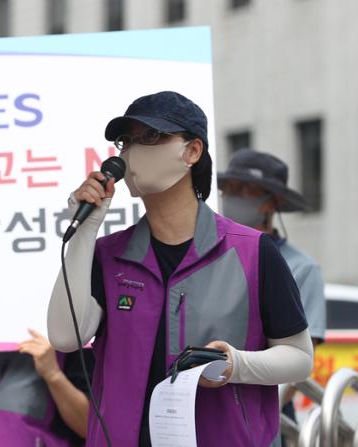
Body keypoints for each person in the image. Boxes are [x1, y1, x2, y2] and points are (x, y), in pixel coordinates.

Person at [47, 91, 314, 446]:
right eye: (126, 141)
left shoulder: (252, 251)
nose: (131, 152)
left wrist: (236, 365)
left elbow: (298, 358)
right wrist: (84, 232)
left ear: (192, 151)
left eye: (151, 137)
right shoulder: (108, 255)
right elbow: (66, 337)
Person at [218, 148, 327, 439]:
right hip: (209, 403)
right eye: (228, 189)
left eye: (245, 190)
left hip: (262, 414)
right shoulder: (209, 254)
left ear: (272, 202)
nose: (233, 197)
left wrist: (259, 423)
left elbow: (300, 358)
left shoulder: (302, 268)